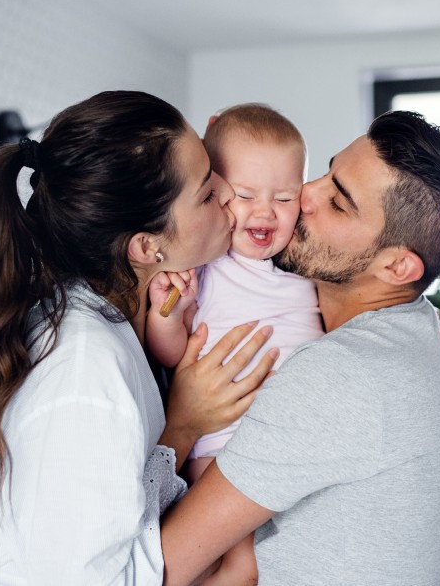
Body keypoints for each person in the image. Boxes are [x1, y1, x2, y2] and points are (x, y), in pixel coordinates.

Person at [0, 90, 280, 585]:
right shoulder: (84, 369)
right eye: (207, 191)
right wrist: (183, 424)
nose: (231, 192)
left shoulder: (117, 318)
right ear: (146, 246)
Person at [160, 110, 440, 585]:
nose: (305, 195)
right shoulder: (412, 327)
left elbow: (156, 568)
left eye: (338, 204)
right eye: (324, 172)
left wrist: (182, 424)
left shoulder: (340, 375)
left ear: (398, 268)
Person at [145, 104, 324, 585]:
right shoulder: (206, 263)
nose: (264, 212)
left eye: (285, 199)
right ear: (215, 191)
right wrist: (166, 312)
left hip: (292, 434)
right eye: (244, 195)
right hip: (222, 432)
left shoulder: (304, 261)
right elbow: (171, 351)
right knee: (236, 562)